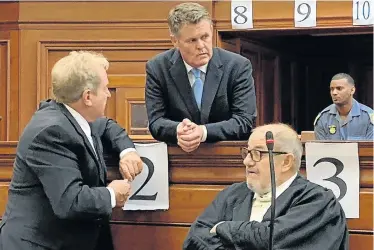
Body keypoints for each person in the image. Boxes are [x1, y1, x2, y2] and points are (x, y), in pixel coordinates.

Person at [0, 51, 143, 250]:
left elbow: (107, 126)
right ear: (87, 97)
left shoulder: (71, 116)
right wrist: (111, 194)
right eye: (105, 88)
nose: (109, 94)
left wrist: (127, 151)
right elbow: (70, 201)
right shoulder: (51, 133)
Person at [183, 123, 349, 250]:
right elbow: (195, 238)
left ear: (286, 162)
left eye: (257, 153)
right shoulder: (233, 194)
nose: (246, 161)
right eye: (247, 152)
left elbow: (273, 238)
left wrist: (223, 228)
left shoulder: (318, 201)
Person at [145, 2, 257, 152]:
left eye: (205, 37)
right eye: (192, 40)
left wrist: (203, 132)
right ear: (175, 41)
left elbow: (244, 121)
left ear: (211, 30)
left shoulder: (237, 66)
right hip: (179, 160)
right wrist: (178, 129)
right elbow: (156, 121)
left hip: (228, 158)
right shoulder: (158, 68)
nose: (201, 45)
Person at [314, 73, 373, 140]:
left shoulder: (368, 117)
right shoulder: (323, 118)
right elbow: (320, 149)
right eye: (332, 89)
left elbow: (370, 149)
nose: (334, 93)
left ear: (352, 90)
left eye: (339, 88)